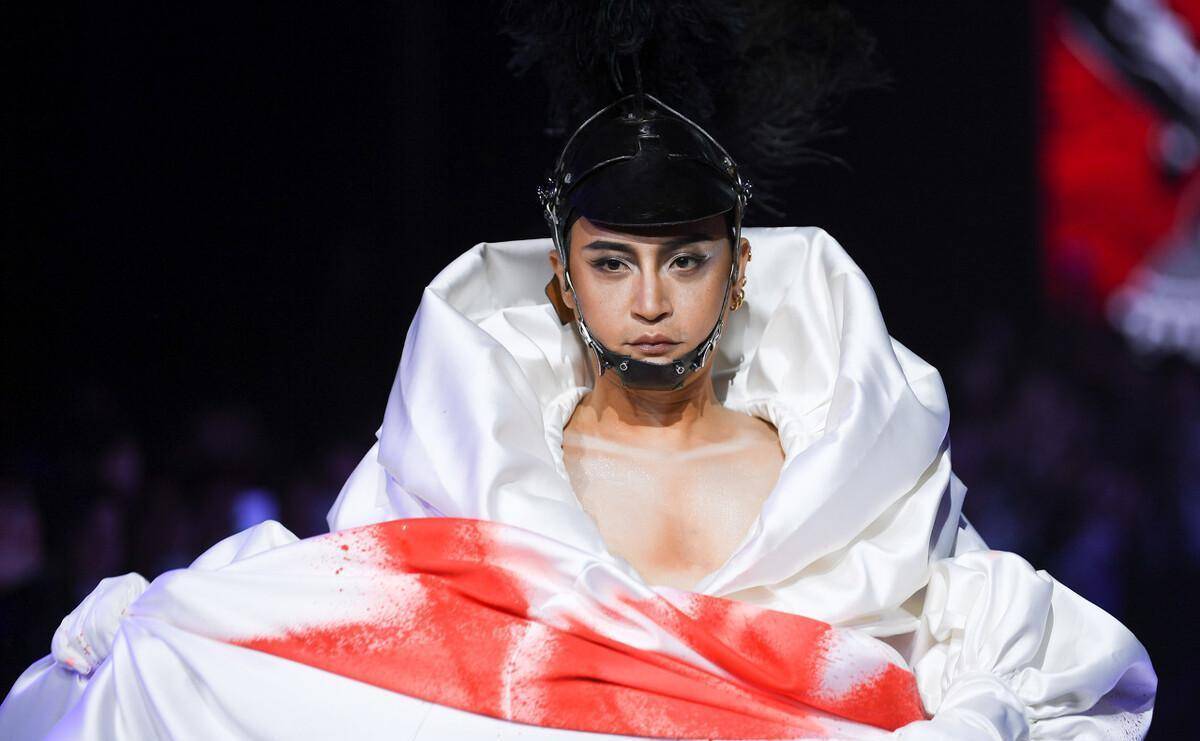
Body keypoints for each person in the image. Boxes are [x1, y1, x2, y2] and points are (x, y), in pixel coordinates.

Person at [0, 5, 1158, 740]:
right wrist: (169, 635)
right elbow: (349, 645)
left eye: (685, 259)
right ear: (561, 276)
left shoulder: (859, 476)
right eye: (612, 262)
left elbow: (1011, 661)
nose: (649, 300)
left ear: (738, 270)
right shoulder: (466, 466)